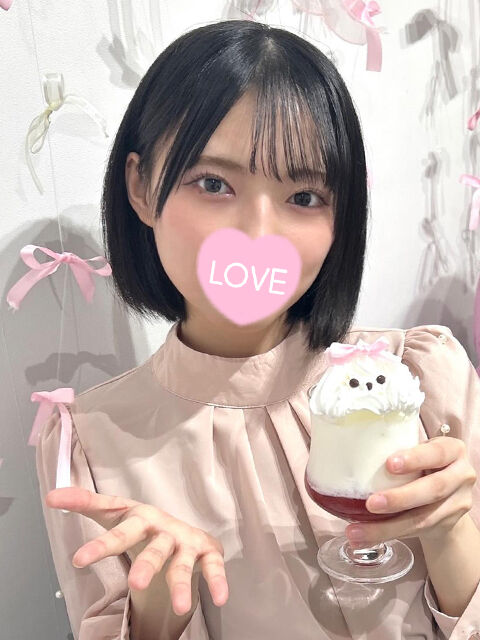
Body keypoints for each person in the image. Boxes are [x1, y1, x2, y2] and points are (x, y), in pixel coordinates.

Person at [35, 19, 480, 640]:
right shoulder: (89, 444)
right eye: (213, 183)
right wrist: (161, 607)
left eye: (304, 196)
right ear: (141, 187)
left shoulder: (420, 379)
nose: (259, 234)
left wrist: (451, 531)